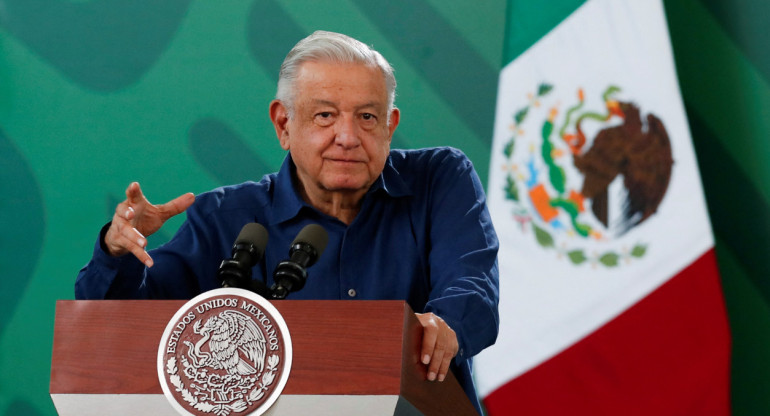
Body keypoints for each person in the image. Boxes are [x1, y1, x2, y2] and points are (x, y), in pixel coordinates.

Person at [76, 30, 499, 413]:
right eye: (325, 116)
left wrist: (445, 324)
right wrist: (118, 252)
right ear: (283, 123)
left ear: (390, 126)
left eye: (367, 117)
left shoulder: (440, 179)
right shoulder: (228, 220)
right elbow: (119, 325)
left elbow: (472, 285)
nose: (348, 137)